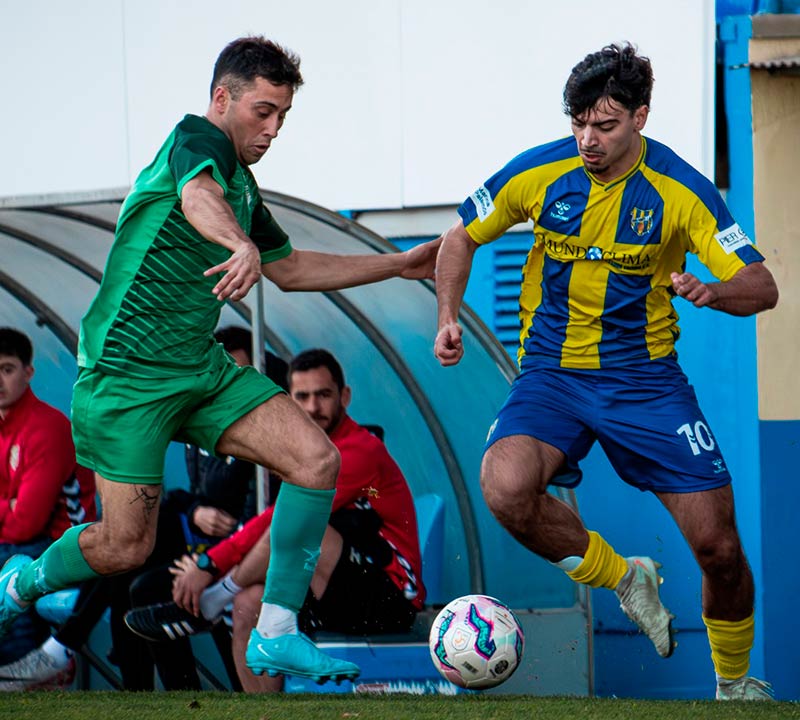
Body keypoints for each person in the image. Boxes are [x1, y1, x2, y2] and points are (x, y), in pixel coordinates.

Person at [0, 36, 438, 687]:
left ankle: (276, 633)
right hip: (126, 379)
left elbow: (290, 268)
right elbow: (196, 197)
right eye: (263, 111)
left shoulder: (244, 185)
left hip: (199, 372)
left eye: (283, 115)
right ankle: (24, 582)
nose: (273, 128)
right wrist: (237, 242)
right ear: (221, 98)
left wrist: (398, 265)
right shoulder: (194, 142)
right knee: (127, 547)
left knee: (318, 459)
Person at [432, 43, 779, 701]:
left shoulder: (680, 191)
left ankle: (734, 686)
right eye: (579, 124)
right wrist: (448, 315)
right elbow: (460, 236)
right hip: (551, 378)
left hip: (646, 383)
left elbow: (760, 286)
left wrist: (712, 292)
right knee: (504, 488)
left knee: (720, 550)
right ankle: (624, 577)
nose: (588, 140)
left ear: (641, 117)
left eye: (606, 125)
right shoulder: (538, 171)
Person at [0, 325, 286, 691]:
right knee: (133, 558)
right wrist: (198, 512)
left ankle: (64, 652)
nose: (226, 384)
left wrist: (207, 562)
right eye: (221, 372)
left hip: (240, 557)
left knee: (133, 551)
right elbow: (191, 496)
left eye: (238, 374)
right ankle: (133, 688)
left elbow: (264, 515)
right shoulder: (210, 429)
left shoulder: (266, 438)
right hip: (203, 548)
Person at [125, 348, 425, 692]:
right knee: (248, 603)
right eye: (303, 397)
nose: (313, 407)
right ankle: (262, 711)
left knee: (305, 526)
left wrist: (210, 564)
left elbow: (279, 517)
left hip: (391, 598)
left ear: (344, 396)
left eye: (324, 395)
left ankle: (209, 603)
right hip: (331, 587)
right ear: (289, 401)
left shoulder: (357, 450)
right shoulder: (306, 451)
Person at [0, 328, 96, 672]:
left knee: (13, 562)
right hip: (18, 541)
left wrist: (11, 508)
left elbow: (26, 522)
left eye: (7, 369)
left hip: (63, 547)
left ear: (28, 373)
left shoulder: (47, 427)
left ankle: (20, 665)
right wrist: (7, 507)